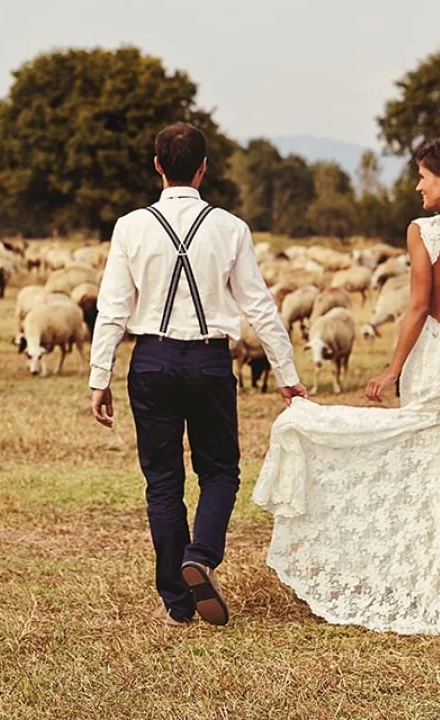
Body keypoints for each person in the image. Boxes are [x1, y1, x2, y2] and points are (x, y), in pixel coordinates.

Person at [252, 137, 440, 641]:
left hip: (434, 360)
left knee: (423, 466)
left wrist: (393, 368)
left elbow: (417, 306)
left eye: (422, 175)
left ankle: (435, 586)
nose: (417, 185)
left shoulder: (423, 232)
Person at [89, 122, 308, 628]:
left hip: (151, 360)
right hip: (211, 361)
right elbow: (260, 305)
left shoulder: (130, 226)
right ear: (204, 167)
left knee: (162, 481)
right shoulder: (231, 228)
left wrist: (99, 375)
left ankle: (177, 600)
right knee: (220, 471)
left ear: (157, 165)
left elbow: (113, 308)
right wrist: (286, 373)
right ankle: (200, 556)